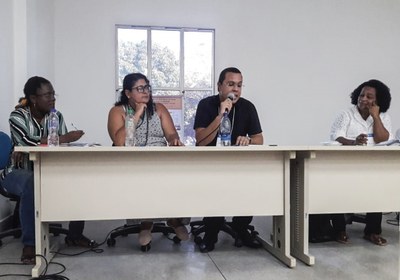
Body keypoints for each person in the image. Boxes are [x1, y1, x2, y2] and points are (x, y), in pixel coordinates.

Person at [0, 76, 97, 265]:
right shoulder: (18, 116)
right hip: (15, 172)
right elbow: (26, 142)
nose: (53, 99)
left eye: (53, 94)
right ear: (34, 98)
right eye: (47, 95)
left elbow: (57, 147)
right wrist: (65, 137)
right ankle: (30, 243)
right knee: (33, 180)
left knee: (78, 177)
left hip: (48, 169)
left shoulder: (56, 116)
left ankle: (75, 235)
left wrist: (59, 140)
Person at [107, 72, 189, 249]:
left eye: (147, 87)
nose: (145, 92)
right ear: (128, 93)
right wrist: (137, 114)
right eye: (140, 88)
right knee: (145, 177)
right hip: (131, 163)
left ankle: (174, 219)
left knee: (178, 174)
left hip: (160, 160)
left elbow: (171, 134)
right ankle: (146, 223)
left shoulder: (159, 109)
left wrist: (174, 140)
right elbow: (119, 142)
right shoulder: (117, 111)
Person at [193, 67, 263, 252]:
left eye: (239, 85)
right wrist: (220, 116)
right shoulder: (206, 105)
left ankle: (241, 227)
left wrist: (248, 140)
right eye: (231, 84)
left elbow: (259, 139)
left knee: (252, 185)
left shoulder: (248, 107)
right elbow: (200, 141)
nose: (236, 89)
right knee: (215, 190)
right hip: (210, 164)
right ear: (219, 86)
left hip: (239, 164)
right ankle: (210, 235)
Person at [330, 79, 393, 246]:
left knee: (377, 190)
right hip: (345, 164)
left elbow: (382, 139)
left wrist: (376, 117)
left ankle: (372, 232)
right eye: (361, 95)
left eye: (369, 96)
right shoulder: (346, 114)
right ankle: (339, 229)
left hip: (373, 164)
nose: (363, 99)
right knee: (338, 191)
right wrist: (353, 142)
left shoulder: (383, 117)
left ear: (378, 101)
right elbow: (336, 135)